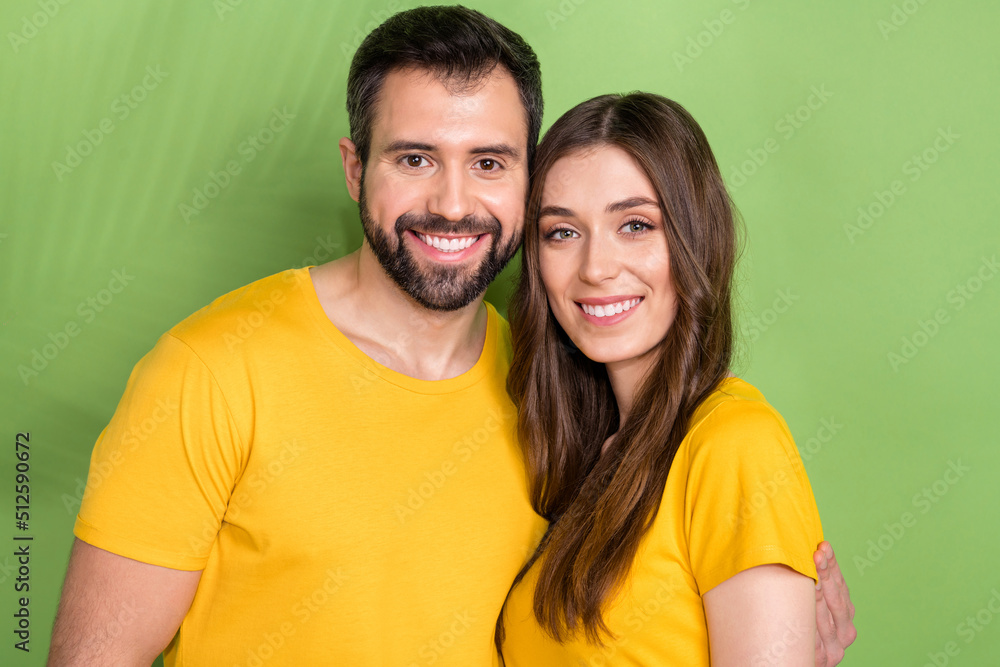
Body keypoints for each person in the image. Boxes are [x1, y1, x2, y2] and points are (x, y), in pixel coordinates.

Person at [48, 7, 854, 666]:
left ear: (527, 182)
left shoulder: (549, 390)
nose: (454, 202)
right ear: (355, 168)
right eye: (415, 158)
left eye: (491, 163)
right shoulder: (211, 372)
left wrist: (775, 617)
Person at [499, 92, 854, 665]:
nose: (595, 268)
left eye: (635, 225)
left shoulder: (734, 443)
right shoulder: (590, 456)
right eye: (562, 232)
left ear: (696, 238)